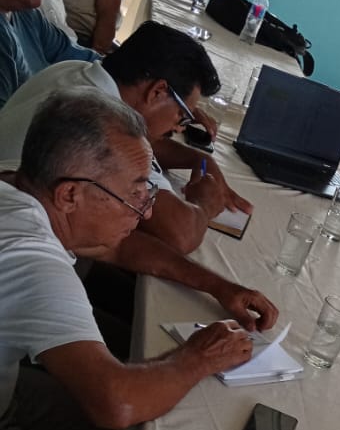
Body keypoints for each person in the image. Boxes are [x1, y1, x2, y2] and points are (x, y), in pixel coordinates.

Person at [0, 88, 277, 430]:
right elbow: (117, 402)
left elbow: (122, 247)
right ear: (70, 195)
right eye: (135, 195)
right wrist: (198, 356)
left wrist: (219, 286)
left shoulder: (19, 188)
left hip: (9, 383)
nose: (146, 212)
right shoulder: (32, 258)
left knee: (90, 426)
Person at [0, 20, 250, 254]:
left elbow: (151, 145)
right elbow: (182, 233)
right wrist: (205, 204)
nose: (179, 128)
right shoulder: (103, 125)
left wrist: (199, 160)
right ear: (157, 91)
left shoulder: (73, 71)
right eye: (182, 115)